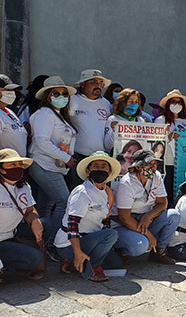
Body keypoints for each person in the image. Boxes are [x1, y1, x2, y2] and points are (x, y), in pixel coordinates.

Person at [54, 151, 121, 281]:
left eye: (104, 166)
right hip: (69, 243)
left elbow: (105, 220)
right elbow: (72, 224)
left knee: (115, 263)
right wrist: (77, 252)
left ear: (109, 171)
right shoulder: (82, 192)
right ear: (88, 170)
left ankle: (74, 263)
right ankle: (91, 267)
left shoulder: (105, 191)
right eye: (95, 166)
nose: (100, 169)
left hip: (91, 239)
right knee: (111, 235)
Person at [28, 76, 78, 240]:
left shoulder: (58, 115)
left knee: (46, 206)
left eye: (64, 93)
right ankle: (53, 241)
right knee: (65, 202)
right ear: (47, 96)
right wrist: (66, 157)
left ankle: (40, 241)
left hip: (53, 167)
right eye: (56, 93)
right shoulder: (45, 114)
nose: (61, 97)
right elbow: (41, 141)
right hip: (44, 165)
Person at [114, 149, 180, 264]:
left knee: (174, 215)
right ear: (139, 166)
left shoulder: (156, 176)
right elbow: (124, 217)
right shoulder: (127, 182)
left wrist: (148, 216)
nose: (153, 167)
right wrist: (149, 235)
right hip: (125, 223)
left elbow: (163, 203)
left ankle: (158, 252)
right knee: (139, 247)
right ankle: (120, 250)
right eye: (150, 164)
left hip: (146, 220)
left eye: (155, 163)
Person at [0, 149, 45, 280]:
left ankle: (10, 265)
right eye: (12, 165)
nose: (18, 168)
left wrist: (35, 219)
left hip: (11, 235)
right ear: (1, 168)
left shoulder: (24, 186)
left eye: (20, 164)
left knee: (46, 225)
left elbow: (29, 210)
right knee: (33, 257)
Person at [67, 69, 112, 187]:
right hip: (78, 157)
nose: (98, 86)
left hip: (101, 160)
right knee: (76, 191)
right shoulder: (71, 100)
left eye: (100, 83)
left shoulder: (106, 103)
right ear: (82, 84)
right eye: (93, 82)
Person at [154, 89, 186, 205]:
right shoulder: (160, 120)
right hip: (167, 162)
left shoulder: (185, 122)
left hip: (181, 162)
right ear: (167, 105)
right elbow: (154, 142)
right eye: (173, 102)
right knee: (167, 190)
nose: (177, 105)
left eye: (179, 102)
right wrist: (168, 137)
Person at [104, 88, 147, 152]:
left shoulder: (140, 120)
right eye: (130, 101)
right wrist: (114, 132)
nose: (134, 104)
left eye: (136, 102)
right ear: (122, 103)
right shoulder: (113, 119)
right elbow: (107, 146)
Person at [0, 75, 27, 156]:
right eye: (7, 90)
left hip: (17, 164)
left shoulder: (9, 111)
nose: (11, 93)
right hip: (5, 165)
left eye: (12, 90)